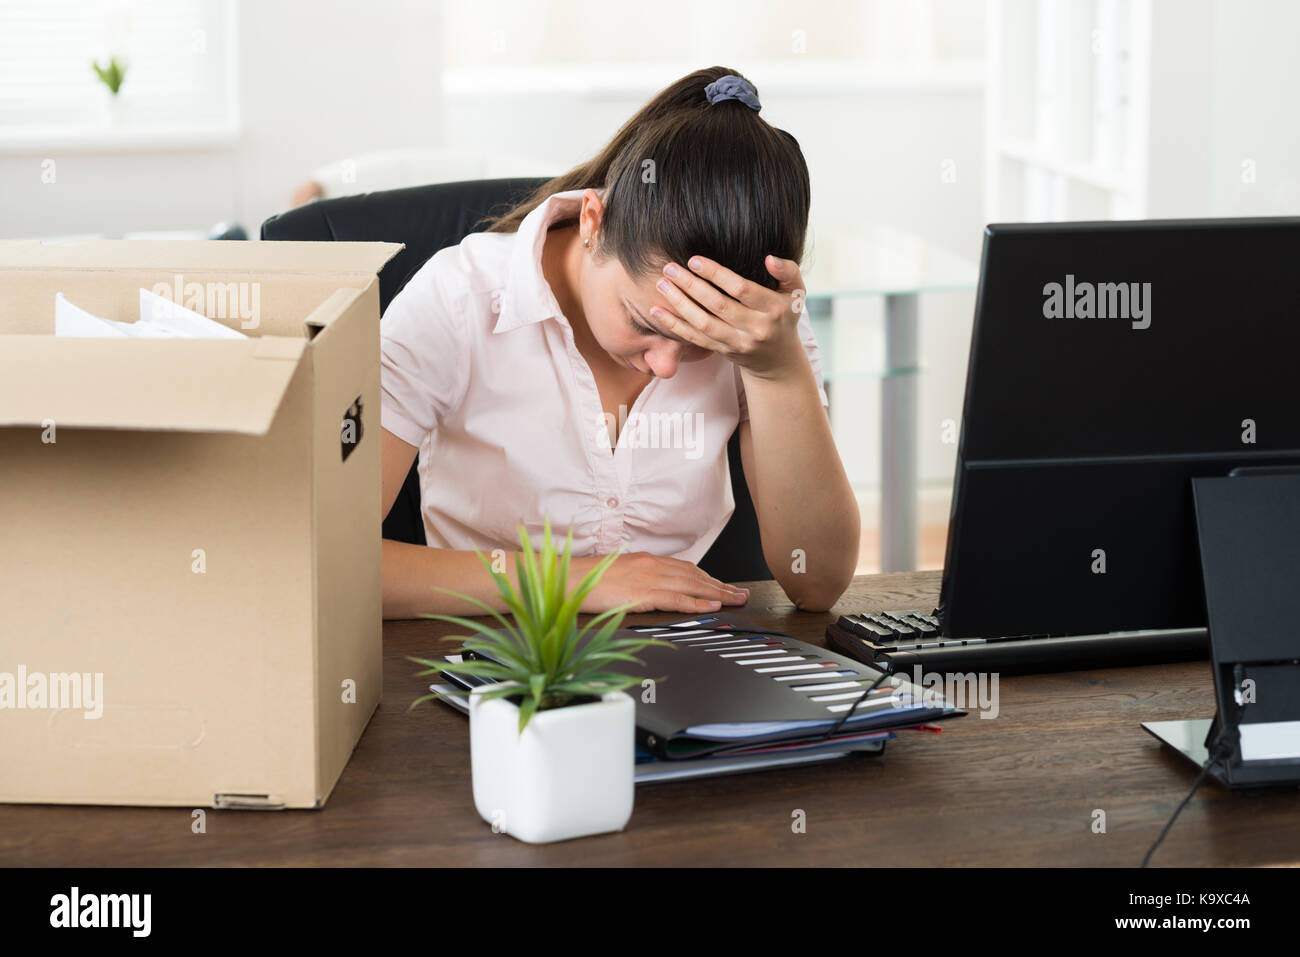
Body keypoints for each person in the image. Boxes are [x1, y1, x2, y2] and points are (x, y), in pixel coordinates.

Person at [379, 66, 859, 619]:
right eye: (646, 322)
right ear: (593, 220)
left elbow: (817, 583)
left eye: (703, 342)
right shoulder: (458, 297)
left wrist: (778, 370)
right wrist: (572, 583)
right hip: (498, 658)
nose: (666, 367)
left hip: (690, 659)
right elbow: (328, 567)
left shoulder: (757, 323)